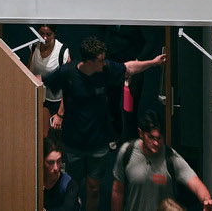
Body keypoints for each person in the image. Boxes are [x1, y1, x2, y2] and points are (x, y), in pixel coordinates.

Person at [41, 36, 165, 211]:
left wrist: (153, 62)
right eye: (100, 60)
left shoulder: (106, 69)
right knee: (71, 188)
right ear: (89, 62)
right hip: (73, 144)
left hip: (98, 144)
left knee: (94, 189)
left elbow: (129, 67)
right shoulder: (68, 73)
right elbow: (41, 81)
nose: (104, 63)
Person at [111, 105, 212, 211]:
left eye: (159, 138)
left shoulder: (171, 158)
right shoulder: (127, 153)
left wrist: (206, 200)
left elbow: (196, 183)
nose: (155, 143)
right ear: (141, 133)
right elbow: (118, 191)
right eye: (151, 137)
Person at [44, 143, 78, 210]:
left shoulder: (69, 184)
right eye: (50, 163)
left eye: (59, 161)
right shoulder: (35, 180)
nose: (56, 168)